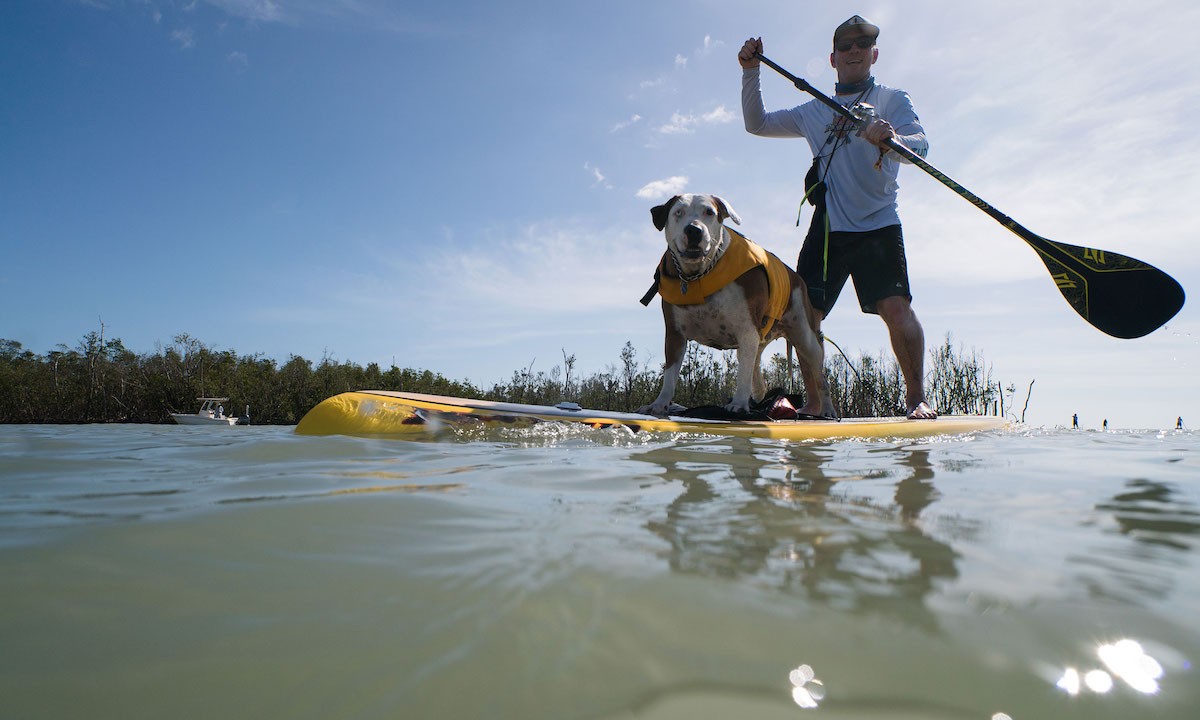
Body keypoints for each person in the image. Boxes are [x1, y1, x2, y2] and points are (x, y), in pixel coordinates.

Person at [739, 15, 936, 419]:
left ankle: (917, 400)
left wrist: (892, 137)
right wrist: (750, 72)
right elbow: (756, 124)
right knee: (804, 315)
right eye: (845, 46)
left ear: (873, 54)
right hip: (829, 228)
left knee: (896, 310)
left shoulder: (892, 100)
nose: (853, 51)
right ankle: (817, 404)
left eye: (862, 45)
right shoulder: (812, 111)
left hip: (879, 224)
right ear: (833, 59)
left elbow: (921, 146)